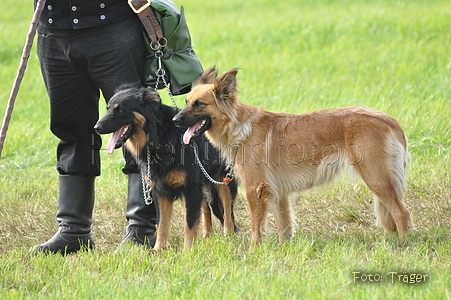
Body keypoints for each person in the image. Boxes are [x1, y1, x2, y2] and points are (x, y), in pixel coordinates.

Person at [32, 0, 158, 254]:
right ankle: (73, 230)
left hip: (112, 28)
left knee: (137, 127)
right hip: (52, 29)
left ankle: (141, 230)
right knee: (71, 129)